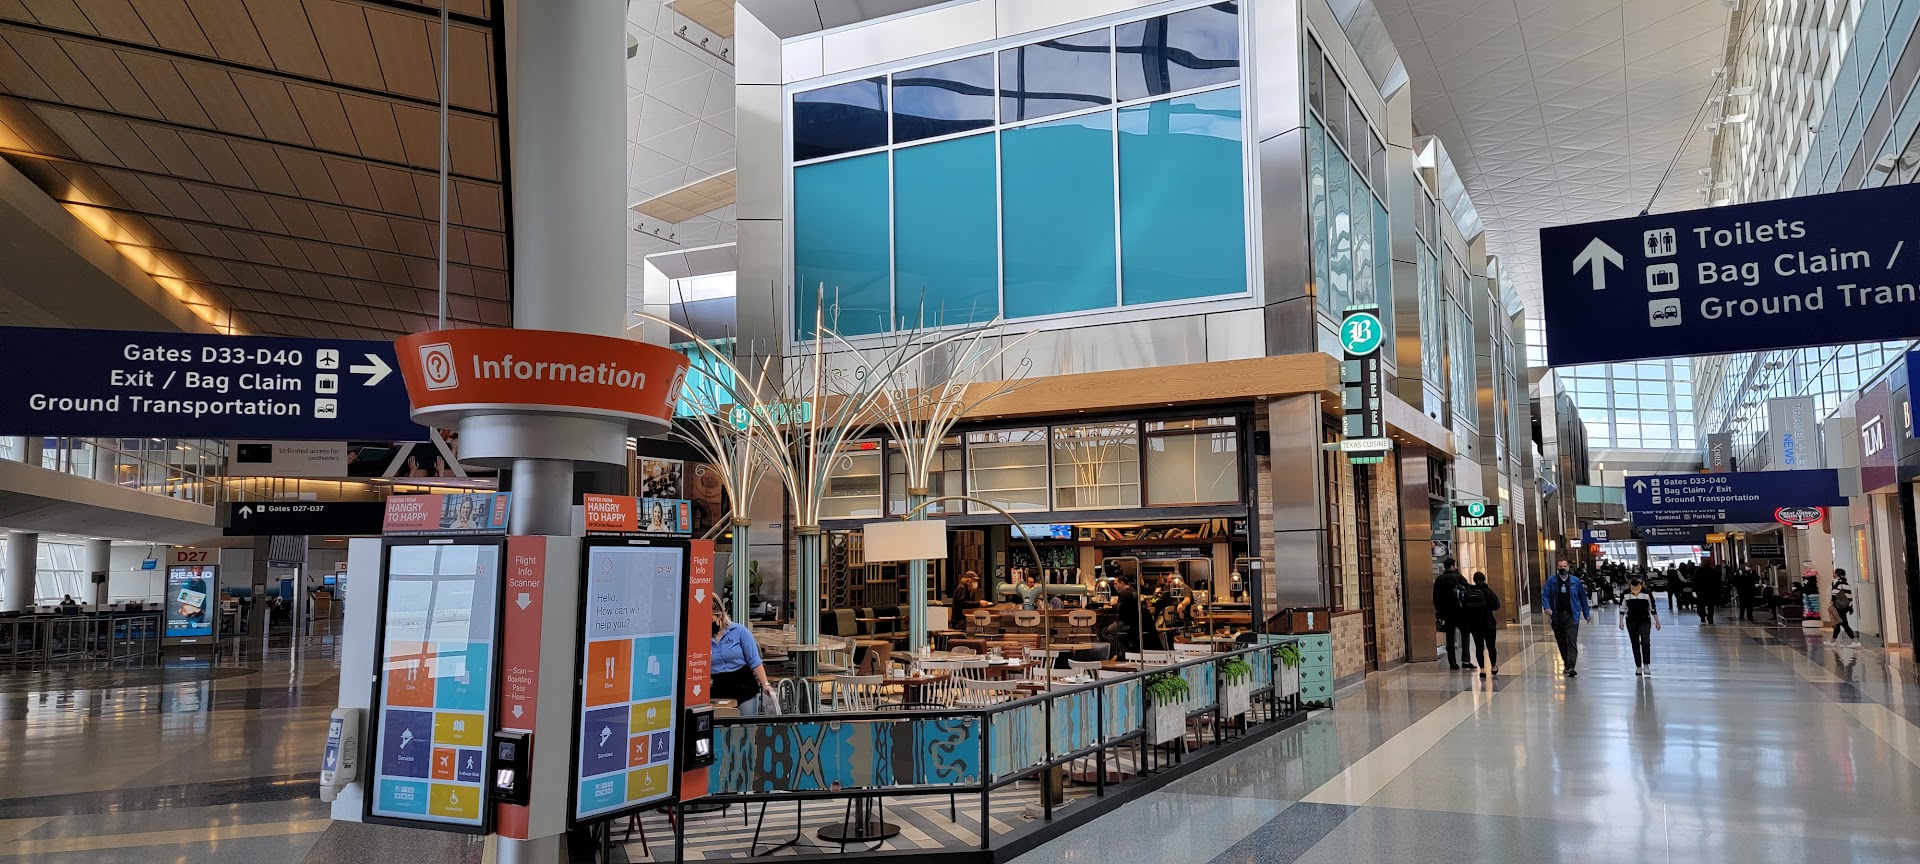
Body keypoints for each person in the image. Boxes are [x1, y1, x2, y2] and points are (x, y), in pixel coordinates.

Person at [709, 602, 776, 715]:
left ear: (719, 615)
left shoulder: (739, 631)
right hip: (717, 687)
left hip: (743, 684)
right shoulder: (701, 636)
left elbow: (754, 660)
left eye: (710, 619)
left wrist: (765, 684)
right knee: (720, 723)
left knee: (746, 722)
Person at [1545, 559, 1593, 677]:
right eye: (1560, 566)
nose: (1563, 568)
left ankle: (1571, 666)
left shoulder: (1576, 582)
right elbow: (1545, 595)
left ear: (1568, 567)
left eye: (1565, 566)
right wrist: (1547, 607)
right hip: (1557, 616)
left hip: (1572, 616)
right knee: (1561, 641)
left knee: (1571, 640)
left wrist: (1586, 613)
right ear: (1557, 567)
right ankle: (1566, 663)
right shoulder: (1551, 581)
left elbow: (1582, 598)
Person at [1433, 557, 1474, 670]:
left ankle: (1452, 663)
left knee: (1450, 637)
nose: (1456, 567)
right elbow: (1468, 592)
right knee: (1465, 636)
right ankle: (1466, 661)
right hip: (1461, 613)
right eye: (1455, 565)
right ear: (1452, 566)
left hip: (1447, 614)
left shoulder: (1439, 580)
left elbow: (1436, 599)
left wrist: (1441, 613)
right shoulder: (1459, 578)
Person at [1619, 575, 1661, 675]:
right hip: (1631, 621)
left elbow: (1652, 608)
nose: (1634, 580)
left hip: (1645, 620)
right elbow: (1622, 608)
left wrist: (1657, 621)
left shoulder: (1647, 593)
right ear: (1629, 580)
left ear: (1641, 580)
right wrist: (1620, 621)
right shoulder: (1625, 593)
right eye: (1632, 578)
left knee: (1645, 642)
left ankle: (1646, 664)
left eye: (1637, 578)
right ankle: (1638, 666)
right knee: (1635, 643)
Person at [1462, 572, 1501, 677]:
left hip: (1475, 624)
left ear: (1474, 580)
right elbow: (1496, 606)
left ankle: (1482, 669)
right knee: (1491, 646)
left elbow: (1465, 608)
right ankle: (1493, 666)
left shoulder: (1470, 592)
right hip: (1488, 623)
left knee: (1479, 647)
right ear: (1484, 579)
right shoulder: (1488, 592)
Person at [1830, 569, 1859, 644]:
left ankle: (1855, 641)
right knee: (1838, 623)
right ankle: (1832, 641)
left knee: (1843, 624)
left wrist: (1831, 604)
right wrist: (1850, 606)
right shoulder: (1845, 583)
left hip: (1839, 606)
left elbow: (1834, 594)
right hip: (1845, 606)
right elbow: (1849, 596)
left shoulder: (1837, 582)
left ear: (1837, 574)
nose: (1833, 574)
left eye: (1834, 572)